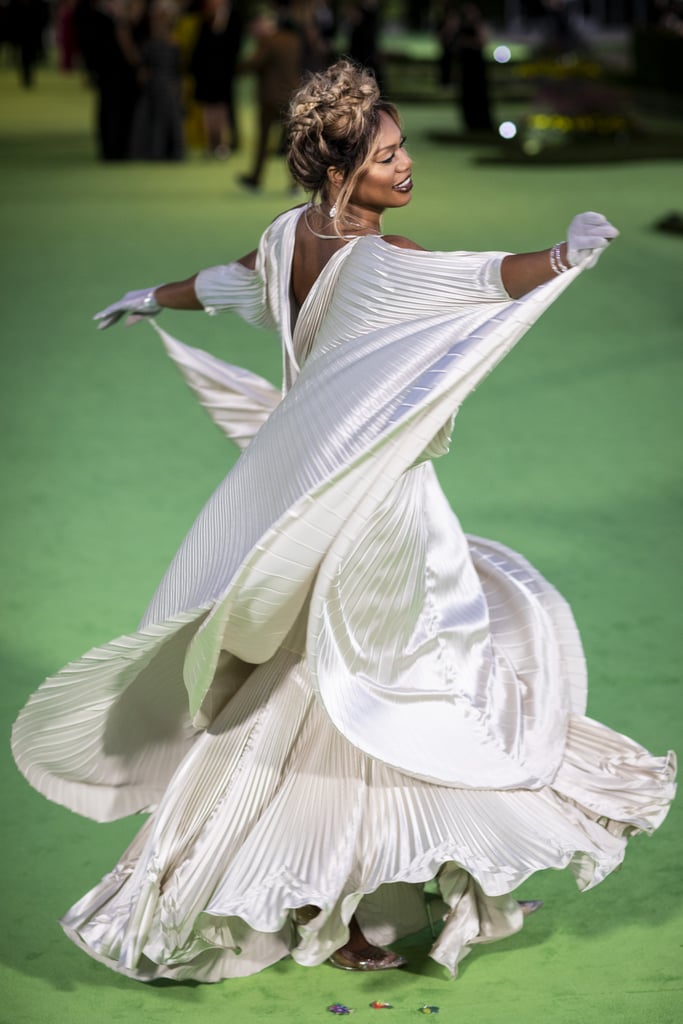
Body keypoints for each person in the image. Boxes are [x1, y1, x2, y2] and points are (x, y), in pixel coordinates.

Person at [12, 60, 675, 982]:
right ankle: (360, 904)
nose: (405, 168)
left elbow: (235, 281)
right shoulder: (381, 265)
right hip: (377, 508)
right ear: (340, 171)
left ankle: (415, 887)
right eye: (386, 156)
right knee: (395, 693)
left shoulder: (287, 237)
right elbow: (482, 280)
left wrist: (152, 297)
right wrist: (565, 256)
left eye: (402, 151)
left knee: (340, 689)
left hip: (304, 495)